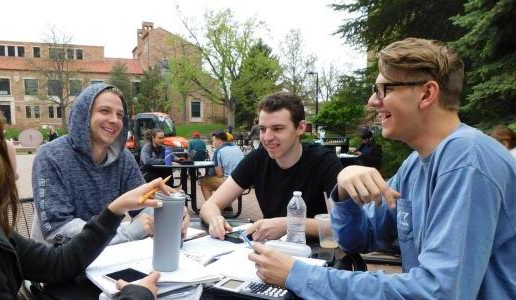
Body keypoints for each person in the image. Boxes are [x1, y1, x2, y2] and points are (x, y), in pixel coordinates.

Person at [249, 38, 516, 299]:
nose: (372, 101)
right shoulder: (415, 165)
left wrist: (299, 275)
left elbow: (439, 292)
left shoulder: (467, 161)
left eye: (383, 89)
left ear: (427, 94)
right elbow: (357, 239)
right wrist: (343, 190)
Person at [0, 89, 162, 299]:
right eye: (0, 137)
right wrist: (136, 295)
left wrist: (114, 211)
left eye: (120, 114)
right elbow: (58, 233)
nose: (11, 144)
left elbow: (56, 263)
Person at [32, 83, 188, 246]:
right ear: (83, 115)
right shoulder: (50, 156)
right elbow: (56, 229)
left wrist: (171, 213)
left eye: (120, 115)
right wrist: (128, 233)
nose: (114, 120)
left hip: (106, 255)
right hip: (57, 261)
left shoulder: (123, 158)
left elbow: (143, 205)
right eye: (104, 111)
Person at [200, 91, 343, 241]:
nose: (267, 138)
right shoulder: (257, 159)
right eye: (262, 129)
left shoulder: (324, 162)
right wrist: (215, 219)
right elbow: (210, 205)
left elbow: (341, 226)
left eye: (278, 128)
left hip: (316, 256)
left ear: (300, 128)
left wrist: (290, 223)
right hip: (271, 252)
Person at [200, 130, 244, 200]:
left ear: (219, 140)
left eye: (213, 140)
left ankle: (211, 206)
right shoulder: (237, 148)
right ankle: (227, 206)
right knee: (221, 178)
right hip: (244, 182)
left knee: (204, 181)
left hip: (233, 183)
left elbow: (219, 174)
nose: (212, 143)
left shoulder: (219, 151)